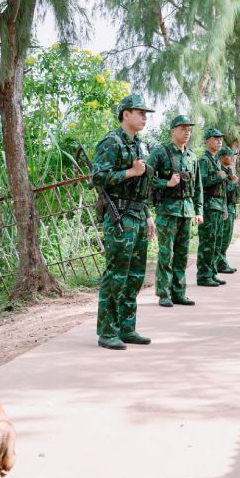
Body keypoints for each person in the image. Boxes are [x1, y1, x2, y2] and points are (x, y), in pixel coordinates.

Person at [91, 94, 157, 350]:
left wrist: (148, 214)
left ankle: (127, 328)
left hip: (138, 215)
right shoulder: (111, 142)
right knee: (116, 275)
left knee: (135, 275)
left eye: (145, 113)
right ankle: (107, 331)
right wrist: (130, 171)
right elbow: (98, 177)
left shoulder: (140, 144)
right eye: (139, 112)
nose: (144, 117)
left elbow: (144, 184)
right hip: (119, 217)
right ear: (125, 114)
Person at [146, 114, 203, 307]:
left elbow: (198, 187)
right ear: (173, 131)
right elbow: (145, 178)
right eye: (183, 129)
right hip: (167, 211)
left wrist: (199, 210)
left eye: (189, 129)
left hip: (186, 211)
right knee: (166, 253)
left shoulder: (192, 156)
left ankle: (179, 292)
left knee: (182, 254)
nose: (187, 132)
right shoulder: (160, 153)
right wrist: (166, 183)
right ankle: (164, 293)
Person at [196, 128, 228, 287]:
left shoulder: (215, 160)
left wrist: (224, 207)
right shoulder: (204, 160)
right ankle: (203, 275)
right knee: (207, 243)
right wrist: (217, 176)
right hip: (208, 206)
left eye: (220, 138)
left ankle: (212, 272)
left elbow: (221, 189)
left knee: (215, 242)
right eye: (215, 138)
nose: (219, 141)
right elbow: (199, 183)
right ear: (207, 141)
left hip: (217, 205)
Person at [217, 146, 240, 274]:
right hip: (223, 208)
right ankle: (220, 263)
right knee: (223, 238)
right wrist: (233, 182)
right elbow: (223, 192)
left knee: (227, 237)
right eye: (229, 155)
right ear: (222, 157)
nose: (232, 158)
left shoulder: (229, 170)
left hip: (230, 207)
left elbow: (233, 195)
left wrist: (235, 208)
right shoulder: (220, 171)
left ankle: (222, 261)